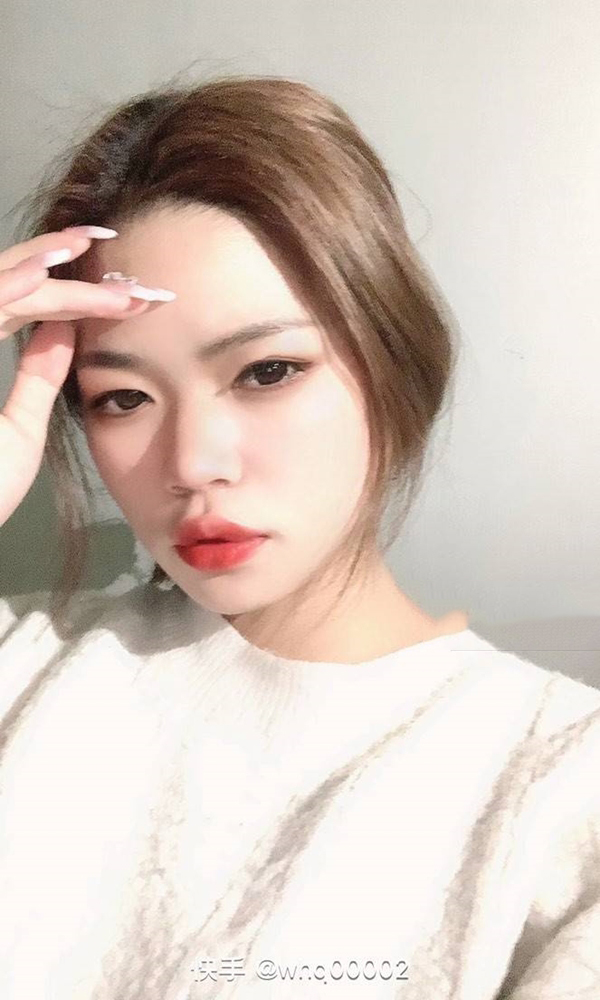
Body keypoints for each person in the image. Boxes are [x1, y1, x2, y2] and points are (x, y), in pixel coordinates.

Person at [0, 74, 599, 1000]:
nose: (192, 462)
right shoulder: (24, 663)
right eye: (122, 397)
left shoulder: (557, 785)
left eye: (267, 371)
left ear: (391, 357)